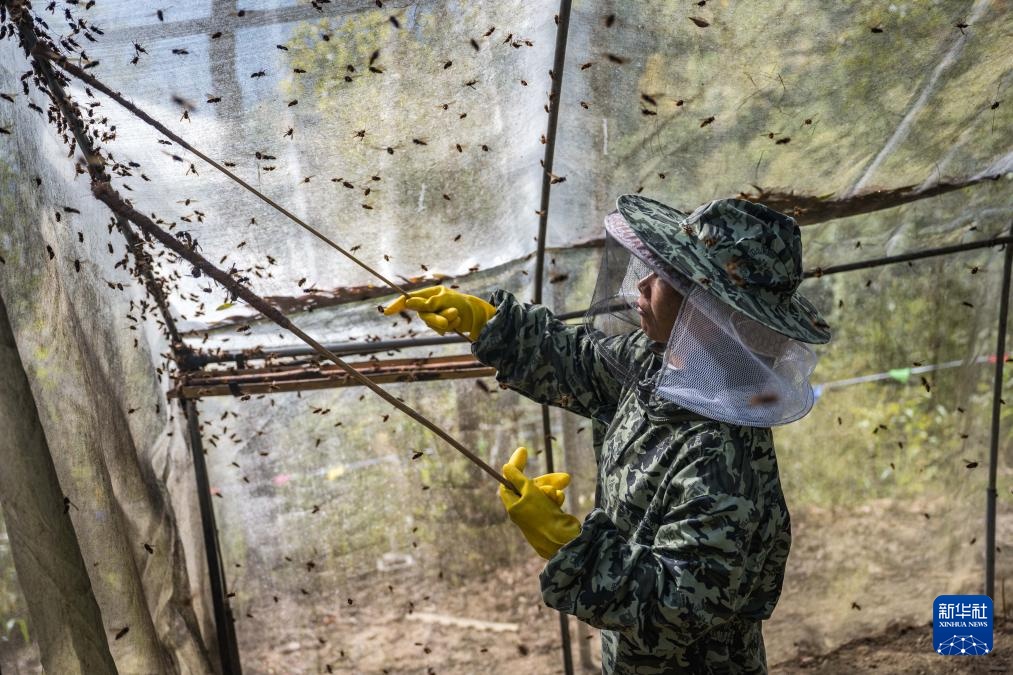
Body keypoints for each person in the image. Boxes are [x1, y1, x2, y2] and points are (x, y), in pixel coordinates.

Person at [383, 195, 830, 674]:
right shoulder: (662, 362)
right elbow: (581, 365)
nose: (642, 282)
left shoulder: (721, 460)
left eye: (666, 278)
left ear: (712, 310)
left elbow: (674, 608)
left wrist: (571, 547)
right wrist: (490, 322)